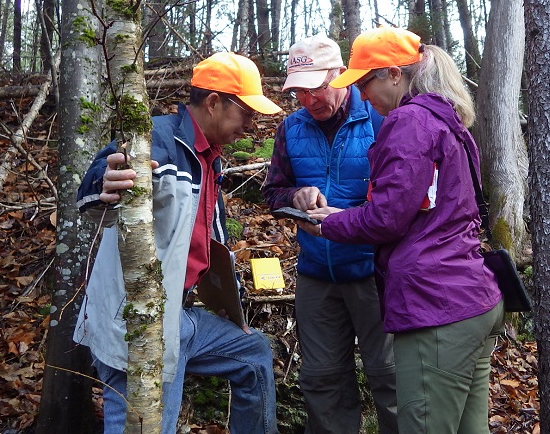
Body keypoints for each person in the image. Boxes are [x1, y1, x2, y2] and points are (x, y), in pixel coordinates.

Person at [304, 27, 505, 434]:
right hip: (472, 301)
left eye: (365, 81)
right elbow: (420, 209)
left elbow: (387, 218)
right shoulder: (447, 120)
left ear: (394, 74)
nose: (362, 94)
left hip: (437, 307)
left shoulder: (409, 121)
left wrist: (329, 224)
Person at [74, 52, 281, 434]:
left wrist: (230, 303)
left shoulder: (210, 159)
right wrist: (106, 185)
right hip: (137, 323)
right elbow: (94, 189)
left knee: (254, 354)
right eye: (247, 114)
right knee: (146, 426)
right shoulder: (156, 140)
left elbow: (213, 238)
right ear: (214, 103)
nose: (251, 126)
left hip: (182, 317)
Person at [262, 34, 397, 433]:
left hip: (375, 273)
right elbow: (272, 191)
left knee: (390, 377)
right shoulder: (291, 128)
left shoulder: (379, 118)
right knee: (322, 379)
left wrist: (349, 218)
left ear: (340, 75)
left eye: (316, 88)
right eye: (299, 92)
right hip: (317, 274)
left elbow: (403, 202)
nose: (308, 100)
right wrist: (295, 195)